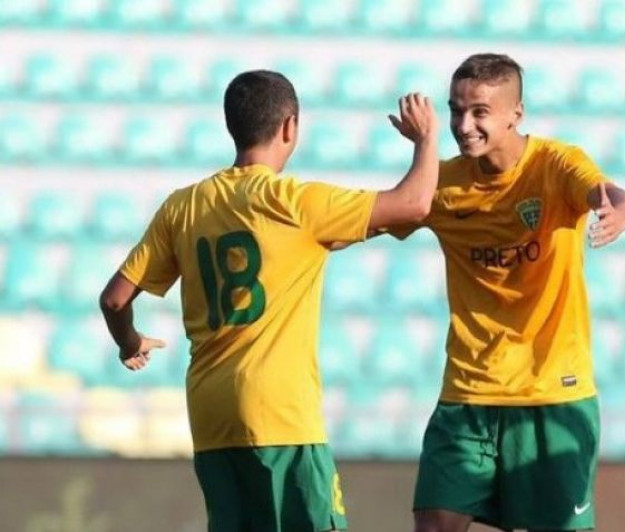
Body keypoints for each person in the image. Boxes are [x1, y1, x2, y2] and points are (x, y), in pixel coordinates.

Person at [98, 70, 439, 532]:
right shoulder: (295, 202)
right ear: (289, 127)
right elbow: (415, 203)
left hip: (211, 416)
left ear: (231, 126)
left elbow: (115, 300)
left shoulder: (183, 206)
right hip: (279, 412)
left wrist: (129, 342)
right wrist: (426, 138)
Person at [379, 53, 625, 532]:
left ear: (516, 113)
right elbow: (387, 212)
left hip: (553, 395)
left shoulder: (556, 164)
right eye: (456, 110)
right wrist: (424, 146)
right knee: (433, 525)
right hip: (468, 393)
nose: (464, 125)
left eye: (479, 112)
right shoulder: (442, 184)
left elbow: (606, 192)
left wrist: (621, 210)